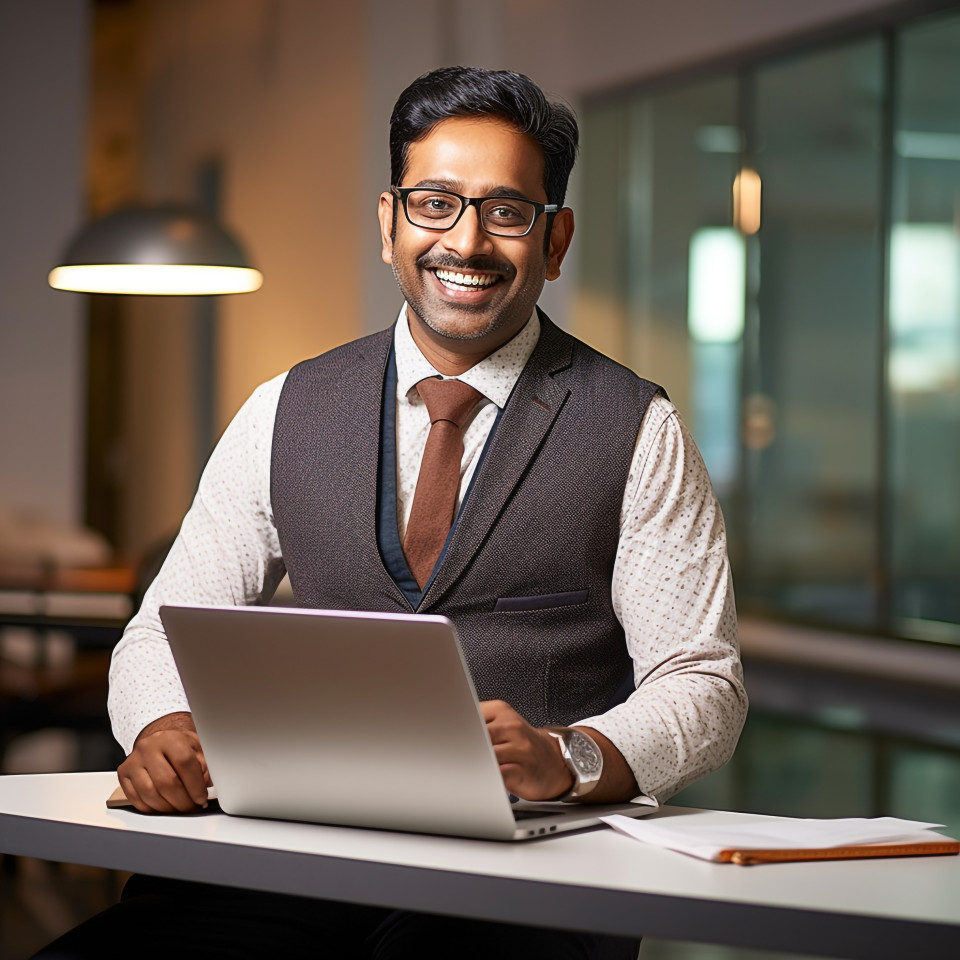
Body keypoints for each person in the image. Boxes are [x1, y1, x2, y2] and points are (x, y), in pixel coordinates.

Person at [35, 66, 746, 959]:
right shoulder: (282, 407)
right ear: (390, 223)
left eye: (507, 211)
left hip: (528, 886)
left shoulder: (638, 427)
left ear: (555, 240)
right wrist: (163, 725)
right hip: (282, 860)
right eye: (436, 204)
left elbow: (703, 682)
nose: (468, 241)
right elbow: (160, 633)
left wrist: (572, 757)